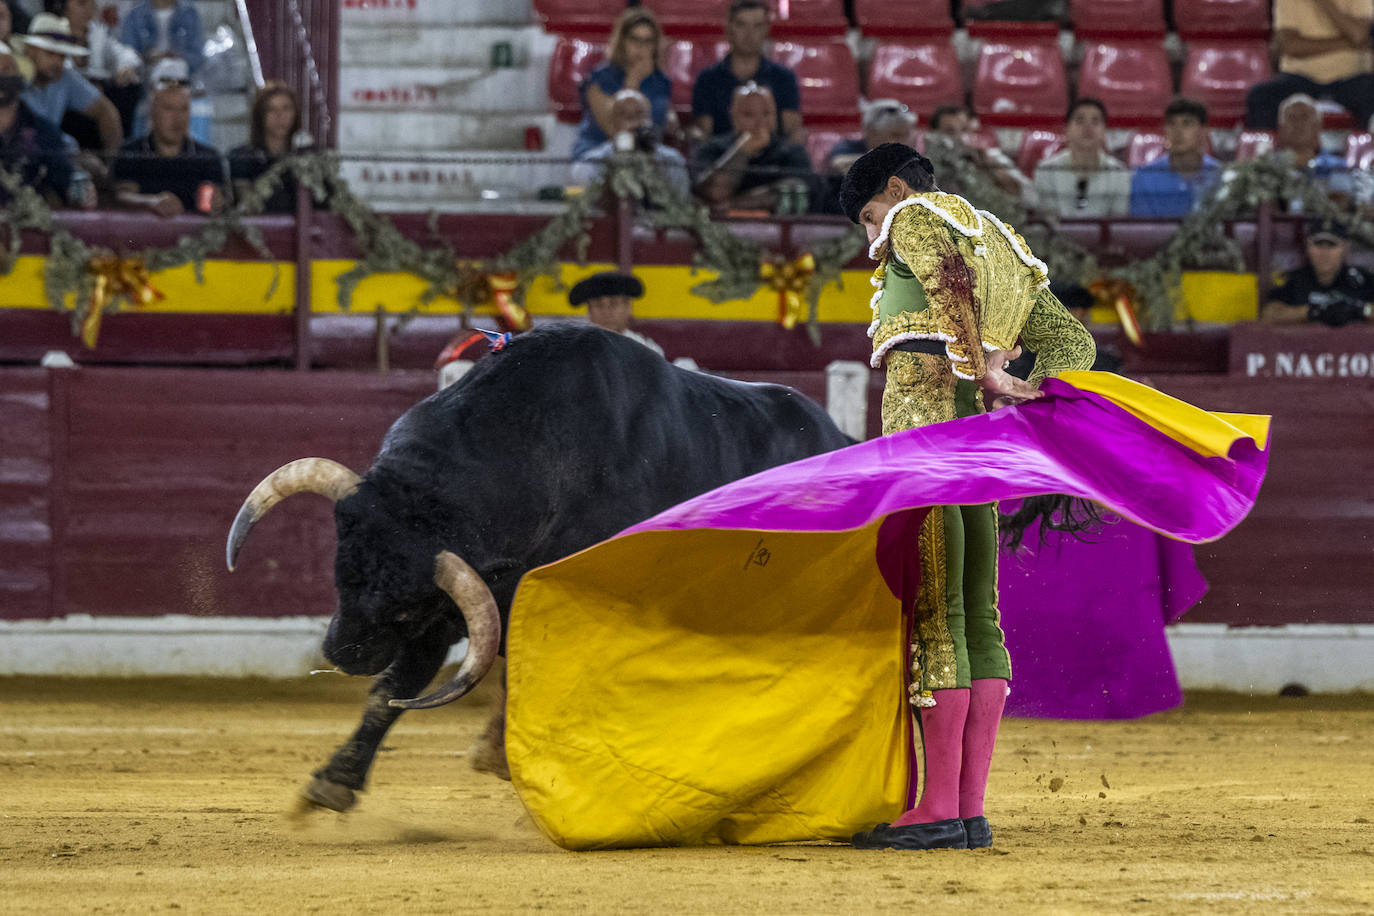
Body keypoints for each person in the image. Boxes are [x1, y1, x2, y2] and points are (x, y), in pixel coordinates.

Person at [838, 142, 1097, 851]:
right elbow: (1072, 342)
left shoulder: (918, 215)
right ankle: (968, 811)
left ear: (894, 188)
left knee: (938, 615)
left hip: (926, 452)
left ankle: (937, 811)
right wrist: (1027, 387)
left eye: (868, 217)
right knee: (978, 616)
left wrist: (983, 361)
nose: (871, 239)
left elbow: (948, 281)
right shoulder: (1007, 245)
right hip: (977, 458)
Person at [1244, 0, 1374, 131]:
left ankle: (1365, 150)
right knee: (1261, 96)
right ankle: (1267, 150)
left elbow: (1359, 35)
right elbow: (1290, 46)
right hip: (1299, 79)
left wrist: (1325, 3)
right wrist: (1347, 44)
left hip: (1351, 78)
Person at [691, 82, 813, 213]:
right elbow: (715, 192)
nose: (760, 122)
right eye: (749, 114)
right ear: (734, 116)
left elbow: (795, 192)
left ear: (775, 116)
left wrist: (733, 204)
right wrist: (744, 149)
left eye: (766, 114)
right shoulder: (711, 148)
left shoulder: (792, 152)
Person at [690, 0, 801, 143]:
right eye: (741, 25)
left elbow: (792, 131)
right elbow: (704, 135)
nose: (750, 34)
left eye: (758, 26)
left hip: (772, 160)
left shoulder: (784, 78)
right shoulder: (707, 79)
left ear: (766, 30)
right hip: (723, 158)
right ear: (729, 29)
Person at [111, 79, 225, 217]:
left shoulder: (208, 157)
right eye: (169, 109)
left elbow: (216, 198)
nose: (178, 119)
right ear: (153, 113)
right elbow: (122, 194)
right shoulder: (130, 152)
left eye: (183, 109)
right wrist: (151, 202)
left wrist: (215, 200)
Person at [571, 7, 673, 161]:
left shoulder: (661, 81)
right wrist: (633, 81)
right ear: (622, 41)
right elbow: (613, 129)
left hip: (646, 154)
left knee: (675, 163)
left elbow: (663, 123)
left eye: (648, 41)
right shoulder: (600, 78)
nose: (641, 47)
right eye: (634, 39)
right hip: (600, 153)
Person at [18, 12, 122, 155]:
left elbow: (107, 112)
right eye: (50, 53)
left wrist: (112, 162)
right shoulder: (12, 78)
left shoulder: (65, 77)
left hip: (58, 157)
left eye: (62, 56)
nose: (57, 62)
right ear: (29, 50)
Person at [0, 42, 81, 207]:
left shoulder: (44, 132)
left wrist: (80, 193)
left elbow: (65, 186)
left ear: (20, 78)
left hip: (29, 223)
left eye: (6, 69)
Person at [570, 87, 690, 197]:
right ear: (612, 125)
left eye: (639, 114)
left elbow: (681, 206)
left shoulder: (672, 161)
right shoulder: (588, 165)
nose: (633, 122)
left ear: (650, 121)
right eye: (623, 114)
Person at [48, 0, 142, 138]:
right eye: (82, 4)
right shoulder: (52, 32)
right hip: (67, 103)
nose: (88, 12)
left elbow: (123, 53)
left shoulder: (96, 33)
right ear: (63, 7)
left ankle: (121, 151)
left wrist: (126, 66)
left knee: (130, 86)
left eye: (92, 6)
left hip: (98, 96)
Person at [1260, 219, 1374, 326]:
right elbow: (1268, 315)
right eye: (1318, 244)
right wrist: (1314, 312)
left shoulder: (1363, 279)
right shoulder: (1294, 279)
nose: (1324, 252)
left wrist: (1360, 310)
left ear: (1345, 249)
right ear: (1308, 247)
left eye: (1332, 245)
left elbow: (1368, 311)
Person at [1032, 98, 1130, 218]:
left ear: (1104, 131)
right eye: (1080, 121)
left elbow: (1118, 224)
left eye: (1095, 121)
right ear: (1066, 129)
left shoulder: (1119, 173)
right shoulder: (1046, 171)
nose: (1088, 127)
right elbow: (1048, 223)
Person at [1129, 98, 1223, 218]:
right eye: (1171, 124)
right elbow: (1141, 231)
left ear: (1203, 131)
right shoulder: (1144, 178)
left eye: (1187, 123)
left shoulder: (1220, 175)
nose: (1177, 132)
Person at [926, 104, 1036, 204]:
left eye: (964, 129)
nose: (959, 137)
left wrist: (989, 167)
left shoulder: (992, 158)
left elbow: (1019, 192)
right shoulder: (929, 166)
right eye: (950, 131)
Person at [228, 81, 302, 213]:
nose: (280, 116)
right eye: (271, 109)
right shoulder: (241, 157)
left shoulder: (306, 158)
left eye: (286, 108)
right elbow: (244, 204)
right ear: (260, 116)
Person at [1269, 93, 1356, 205]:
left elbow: (1343, 206)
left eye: (1304, 117)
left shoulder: (1338, 168)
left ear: (1318, 126)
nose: (1298, 124)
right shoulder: (1267, 167)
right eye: (1292, 118)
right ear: (1280, 129)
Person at [567, 270, 664, 356]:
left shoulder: (647, 352)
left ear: (628, 307)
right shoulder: (576, 352)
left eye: (614, 303)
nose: (606, 312)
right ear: (589, 310)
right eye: (598, 305)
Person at [120, 0, 204, 76]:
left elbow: (197, 56)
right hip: (146, 81)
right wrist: (147, 58)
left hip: (182, 81)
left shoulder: (190, 13)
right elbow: (128, 54)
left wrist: (177, 57)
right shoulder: (134, 16)